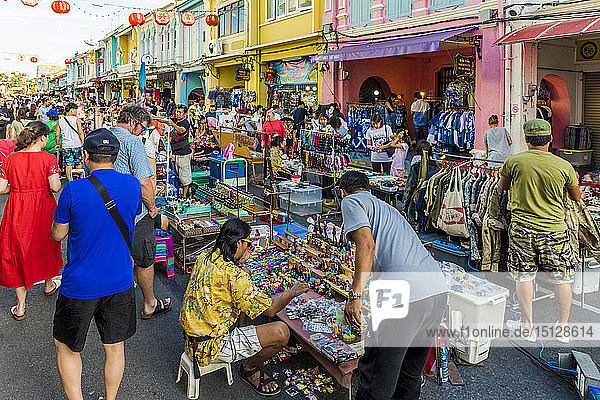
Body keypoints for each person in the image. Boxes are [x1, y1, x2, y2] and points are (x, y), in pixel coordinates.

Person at [339, 170, 447, 400]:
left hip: (404, 294)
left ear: (342, 192)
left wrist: (354, 296)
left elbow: (366, 245)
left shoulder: (350, 201)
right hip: (436, 289)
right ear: (368, 188)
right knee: (409, 373)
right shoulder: (387, 208)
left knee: (377, 376)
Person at [51, 128, 141, 400]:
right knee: (114, 347)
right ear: (115, 156)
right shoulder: (132, 185)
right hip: (121, 281)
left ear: (85, 155)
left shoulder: (73, 190)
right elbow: (131, 221)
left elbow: (58, 234)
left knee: (67, 346)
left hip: (80, 284)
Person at [180, 218, 309, 396]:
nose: (250, 249)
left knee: (242, 305)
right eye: (248, 244)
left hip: (192, 338)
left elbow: (226, 282)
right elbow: (270, 310)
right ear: (239, 242)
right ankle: (249, 368)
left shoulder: (206, 256)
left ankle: (243, 334)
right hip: (211, 346)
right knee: (282, 332)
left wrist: (239, 266)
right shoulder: (235, 277)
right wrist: (292, 292)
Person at [499, 119, 581, 344]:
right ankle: (563, 329)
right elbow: (576, 197)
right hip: (555, 230)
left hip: (522, 229)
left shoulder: (514, 162)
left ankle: (527, 328)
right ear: (550, 139)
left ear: (526, 139)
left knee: (525, 276)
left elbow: (502, 187)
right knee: (562, 279)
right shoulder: (564, 166)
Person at [109, 104, 170, 320]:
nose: (143, 132)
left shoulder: (103, 136)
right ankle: (149, 303)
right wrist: (153, 209)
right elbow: (144, 183)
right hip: (135, 212)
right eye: (143, 128)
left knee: (119, 256)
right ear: (133, 123)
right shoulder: (131, 141)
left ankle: (115, 300)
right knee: (145, 259)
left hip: (108, 210)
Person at [0, 121, 63, 320]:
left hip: (17, 207)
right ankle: (49, 284)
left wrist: (19, 188)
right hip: (42, 207)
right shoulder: (49, 158)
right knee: (45, 245)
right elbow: (54, 187)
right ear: (43, 138)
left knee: (16, 250)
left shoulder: (10, 159)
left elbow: (2, 188)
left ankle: (20, 306)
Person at [164, 105, 193, 198]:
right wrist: (152, 117)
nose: (178, 114)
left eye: (180, 112)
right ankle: (178, 193)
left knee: (184, 176)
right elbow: (164, 120)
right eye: (177, 112)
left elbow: (181, 131)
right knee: (177, 175)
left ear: (184, 114)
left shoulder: (185, 123)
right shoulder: (175, 120)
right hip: (175, 152)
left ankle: (185, 196)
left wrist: (173, 124)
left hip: (184, 153)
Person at [59, 103, 85, 182]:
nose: (77, 112)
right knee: (78, 163)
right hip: (77, 145)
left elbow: (57, 134)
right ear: (71, 110)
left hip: (66, 146)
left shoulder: (60, 120)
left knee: (68, 164)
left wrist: (57, 143)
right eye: (76, 110)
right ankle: (78, 180)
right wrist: (83, 142)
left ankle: (70, 181)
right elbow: (80, 132)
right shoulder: (76, 119)